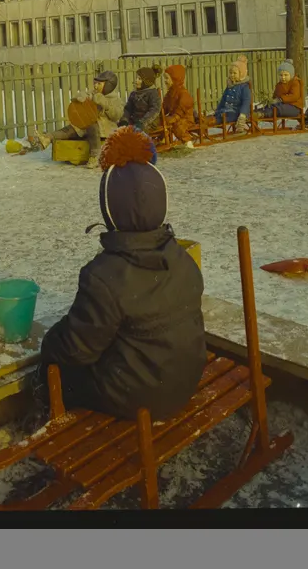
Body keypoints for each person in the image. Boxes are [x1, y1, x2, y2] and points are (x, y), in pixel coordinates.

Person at [36, 125, 207, 421]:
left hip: (141, 399)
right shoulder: (180, 256)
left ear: (110, 212)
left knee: (59, 375)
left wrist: (49, 345)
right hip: (185, 380)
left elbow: (77, 348)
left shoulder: (104, 276)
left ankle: (42, 415)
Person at [29, 70, 125, 168]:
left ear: (108, 85)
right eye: (95, 83)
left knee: (92, 126)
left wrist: (105, 104)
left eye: (99, 84)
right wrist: (80, 98)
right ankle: (47, 138)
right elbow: (82, 95)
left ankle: (95, 156)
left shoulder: (115, 99)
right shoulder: (93, 94)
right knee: (71, 128)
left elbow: (117, 115)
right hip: (87, 125)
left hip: (105, 129)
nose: (95, 86)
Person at [214, 56, 252, 134]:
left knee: (223, 117)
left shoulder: (244, 87)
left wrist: (242, 115)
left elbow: (246, 102)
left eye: (235, 73)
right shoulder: (230, 86)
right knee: (218, 115)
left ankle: (210, 121)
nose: (232, 75)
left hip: (237, 112)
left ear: (241, 74)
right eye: (231, 73)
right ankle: (204, 119)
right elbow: (223, 99)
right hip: (226, 110)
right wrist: (218, 110)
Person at [161, 64, 195, 148]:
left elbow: (184, 106)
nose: (165, 81)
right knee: (163, 121)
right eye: (164, 78)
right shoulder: (170, 93)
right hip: (174, 117)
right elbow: (165, 106)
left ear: (175, 78)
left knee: (177, 125)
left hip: (185, 119)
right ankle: (162, 139)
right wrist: (161, 113)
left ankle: (187, 141)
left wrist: (175, 117)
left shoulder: (183, 93)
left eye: (167, 78)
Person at [120, 66, 163, 134]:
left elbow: (154, 110)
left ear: (147, 81)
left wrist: (142, 123)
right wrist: (124, 120)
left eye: (139, 79)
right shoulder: (134, 94)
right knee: (122, 130)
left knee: (135, 133)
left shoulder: (152, 93)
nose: (136, 80)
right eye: (136, 78)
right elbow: (128, 109)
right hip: (135, 120)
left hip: (149, 122)